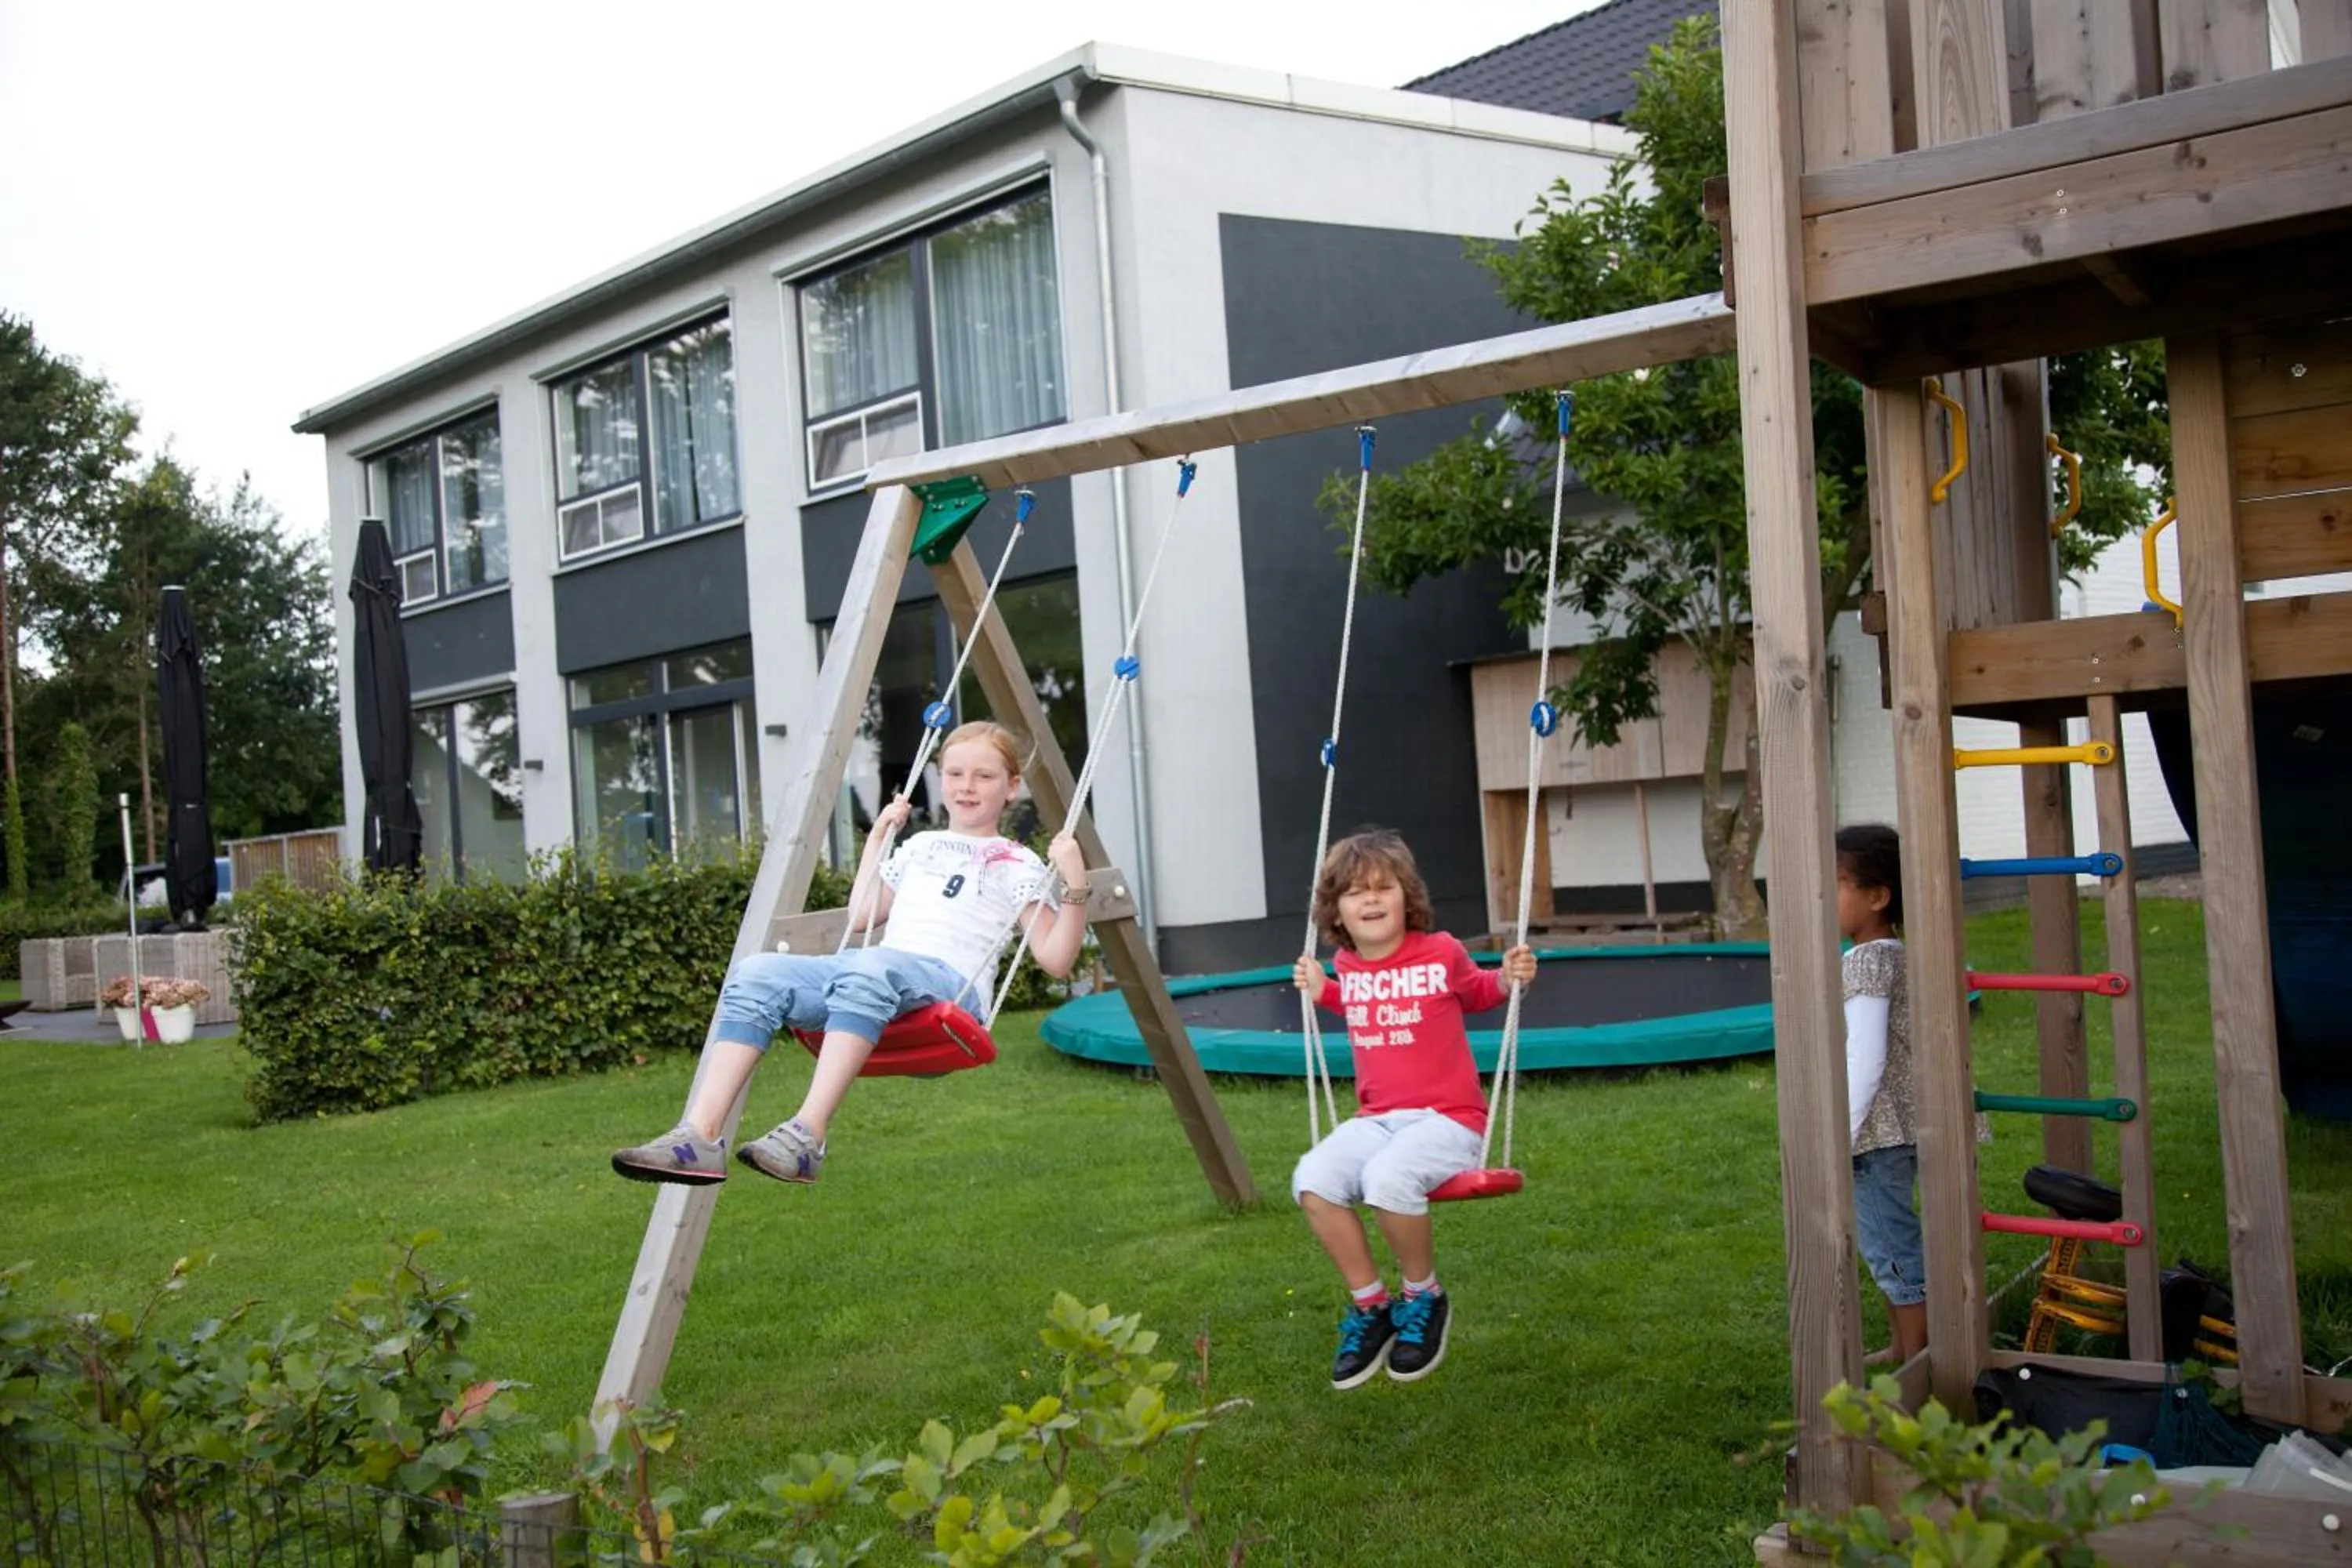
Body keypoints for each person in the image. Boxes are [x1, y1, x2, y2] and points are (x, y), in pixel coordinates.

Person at [612, 721, 1091, 1188]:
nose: (967, 787)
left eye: (984, 777)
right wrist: (879, 838)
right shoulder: (920, 846)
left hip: (949, 993)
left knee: (872, 964)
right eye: (955, 773)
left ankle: (807, 1136)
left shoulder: (1018, 862)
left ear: (1011, 787)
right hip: (879, 976)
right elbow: (863, 916)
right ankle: (699, 1136)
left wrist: (1075, 884)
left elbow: (1055, 960)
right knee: (757, 972)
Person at [1289, 829, 1537, 1389]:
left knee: (1387, 1178)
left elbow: (1480, 991)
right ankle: (1373, 1307)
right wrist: (1321, 987)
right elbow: (1346, 1002)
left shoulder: (1441, 951)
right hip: (1377, 1119)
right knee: (1313, 1179)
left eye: (1383, 887)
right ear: (1337, 911)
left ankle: (1423, 1296)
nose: (1371, 900)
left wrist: (1509, 978)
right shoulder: (1347, 967)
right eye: (1355, 892)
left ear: (1408, 897)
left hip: (1449, 1119)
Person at [1836, 822, 1929, 1366]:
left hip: (1875, 1129)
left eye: (1838, 884)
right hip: (1905, 1118)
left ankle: (1918, 1357)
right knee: (1890, 1239)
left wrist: (1839, 1135)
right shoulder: (1897, 952)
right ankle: (1903, 1345)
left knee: (1889, 1246)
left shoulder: (1867, 959)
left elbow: (1865, 1057)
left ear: (1876, 896)